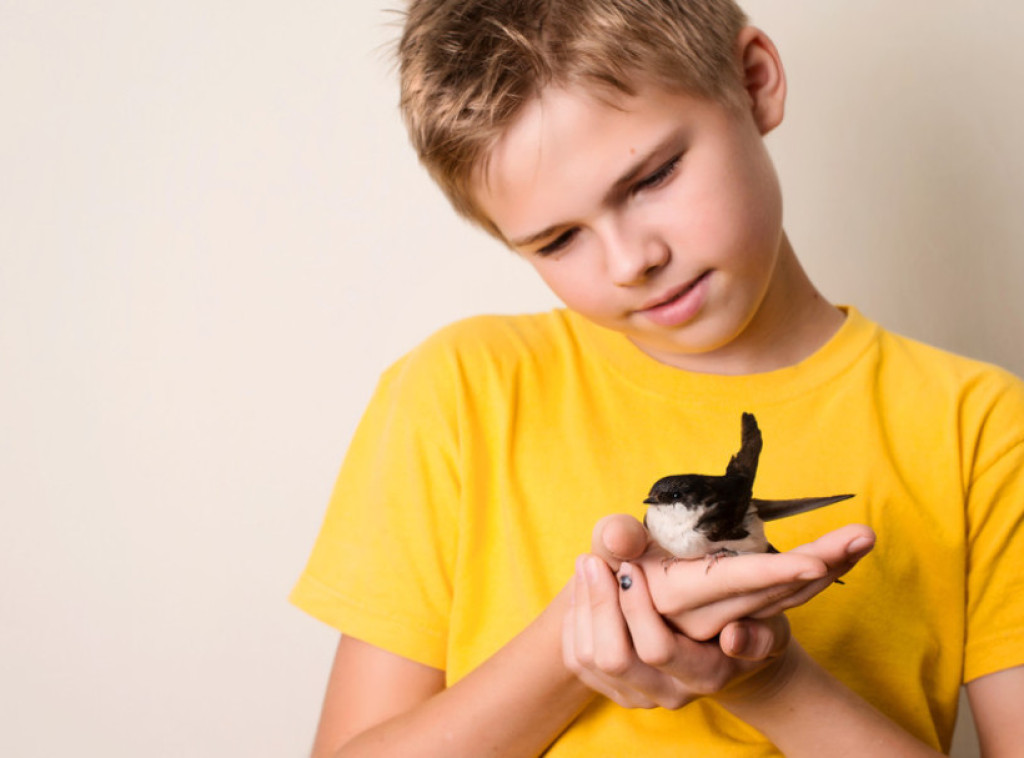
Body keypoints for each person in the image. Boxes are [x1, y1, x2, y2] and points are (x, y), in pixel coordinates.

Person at [290, 1, 1024, 755]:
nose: (630, 261)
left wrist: (769, 681)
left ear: (754, 81)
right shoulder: (459, 393)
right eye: (559, 239)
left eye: (654, 177)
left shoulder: (981, 430)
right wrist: (577, 638)